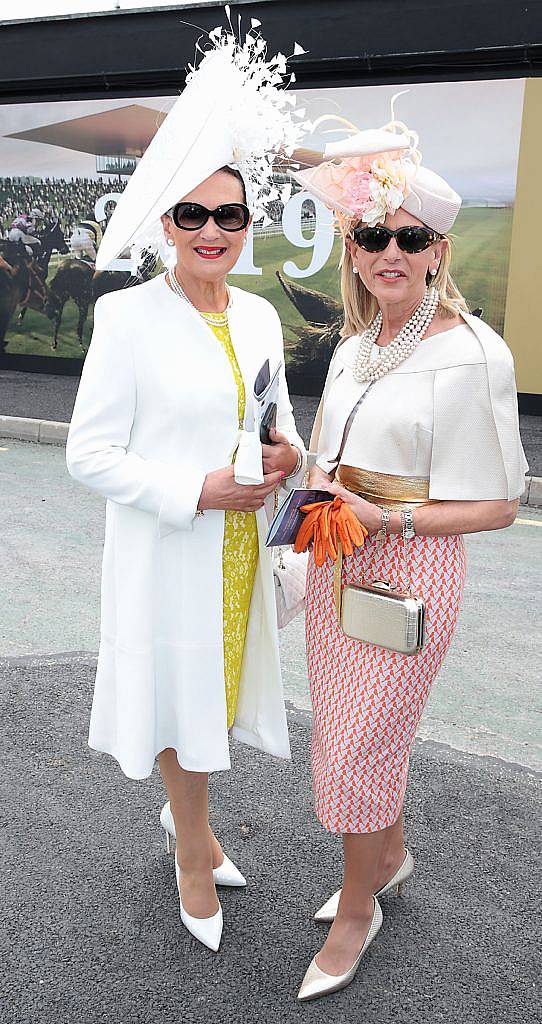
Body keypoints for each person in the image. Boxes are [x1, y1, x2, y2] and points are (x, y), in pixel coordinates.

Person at [66, 21, 308, 954]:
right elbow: (89, 455)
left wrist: (284, 457)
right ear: (166, 223)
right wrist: (195, 492)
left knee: (215, 682)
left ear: (248, 229)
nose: (213, 231)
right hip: (170, 541)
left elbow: (271, 421)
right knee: (176, 684)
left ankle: (190, 822)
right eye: (192, 215)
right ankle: (194, 845)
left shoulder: (257, 315)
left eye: (231, 216)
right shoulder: (126, 318)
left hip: (243, 545)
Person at [291, 116, 528, 1000]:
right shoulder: (354, 348)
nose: (389, 251)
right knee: (352, 736)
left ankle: (361, 909)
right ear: (352, 248)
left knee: (357, 747)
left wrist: (384, 514)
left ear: (438, 250)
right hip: (333, 560)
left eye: (409, 237)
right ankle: (386, 856)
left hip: (409, 573)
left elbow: (502, 505)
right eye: (371, 235)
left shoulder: (472, 354)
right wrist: (303, 479)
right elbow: (331, 461)